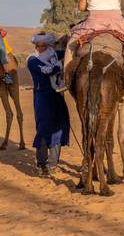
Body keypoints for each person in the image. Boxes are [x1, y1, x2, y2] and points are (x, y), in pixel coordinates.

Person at [27, 32, 70, 176]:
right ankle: (41, 164)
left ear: (48, 45)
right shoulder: (32, 60)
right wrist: (59, 66)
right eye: (37, 45)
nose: (40, 48)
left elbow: (68, 51)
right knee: (44, 129)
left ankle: (52, 164)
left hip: (57, 95)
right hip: (42, 97)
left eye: (43, 45)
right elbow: (48, 70)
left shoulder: (54, 54)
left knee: (58, 128)